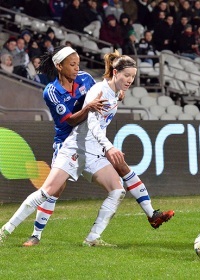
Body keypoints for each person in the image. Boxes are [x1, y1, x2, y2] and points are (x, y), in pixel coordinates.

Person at [16, 46, 173, 247]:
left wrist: (117, 91)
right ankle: (36, 234)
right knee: (55, 190)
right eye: (72, 64)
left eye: (77, 64)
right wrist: (95, 115)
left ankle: (151, 214)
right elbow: (71, 121)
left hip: (90, 143)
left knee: (121, 169)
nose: (76, 68)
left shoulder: (86, 79)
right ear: (59, 66)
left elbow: (103, 88)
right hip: (68, 141)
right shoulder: (52, 91)